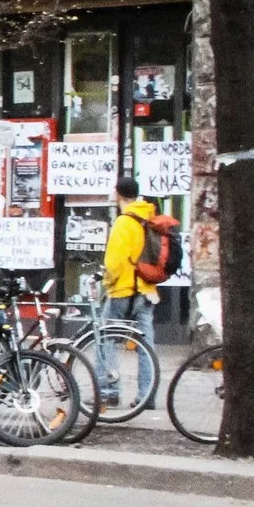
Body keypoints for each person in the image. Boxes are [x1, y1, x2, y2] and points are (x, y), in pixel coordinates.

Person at [99, 176, 164, 412]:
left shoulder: (124, 222)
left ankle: (108, 392)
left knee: (107, 341)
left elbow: (114, 262)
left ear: (118, 194)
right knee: (146, 344)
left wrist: (107, 282)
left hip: (123, 290)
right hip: (146, 291)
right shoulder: (150, 217)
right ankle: (147, 396)